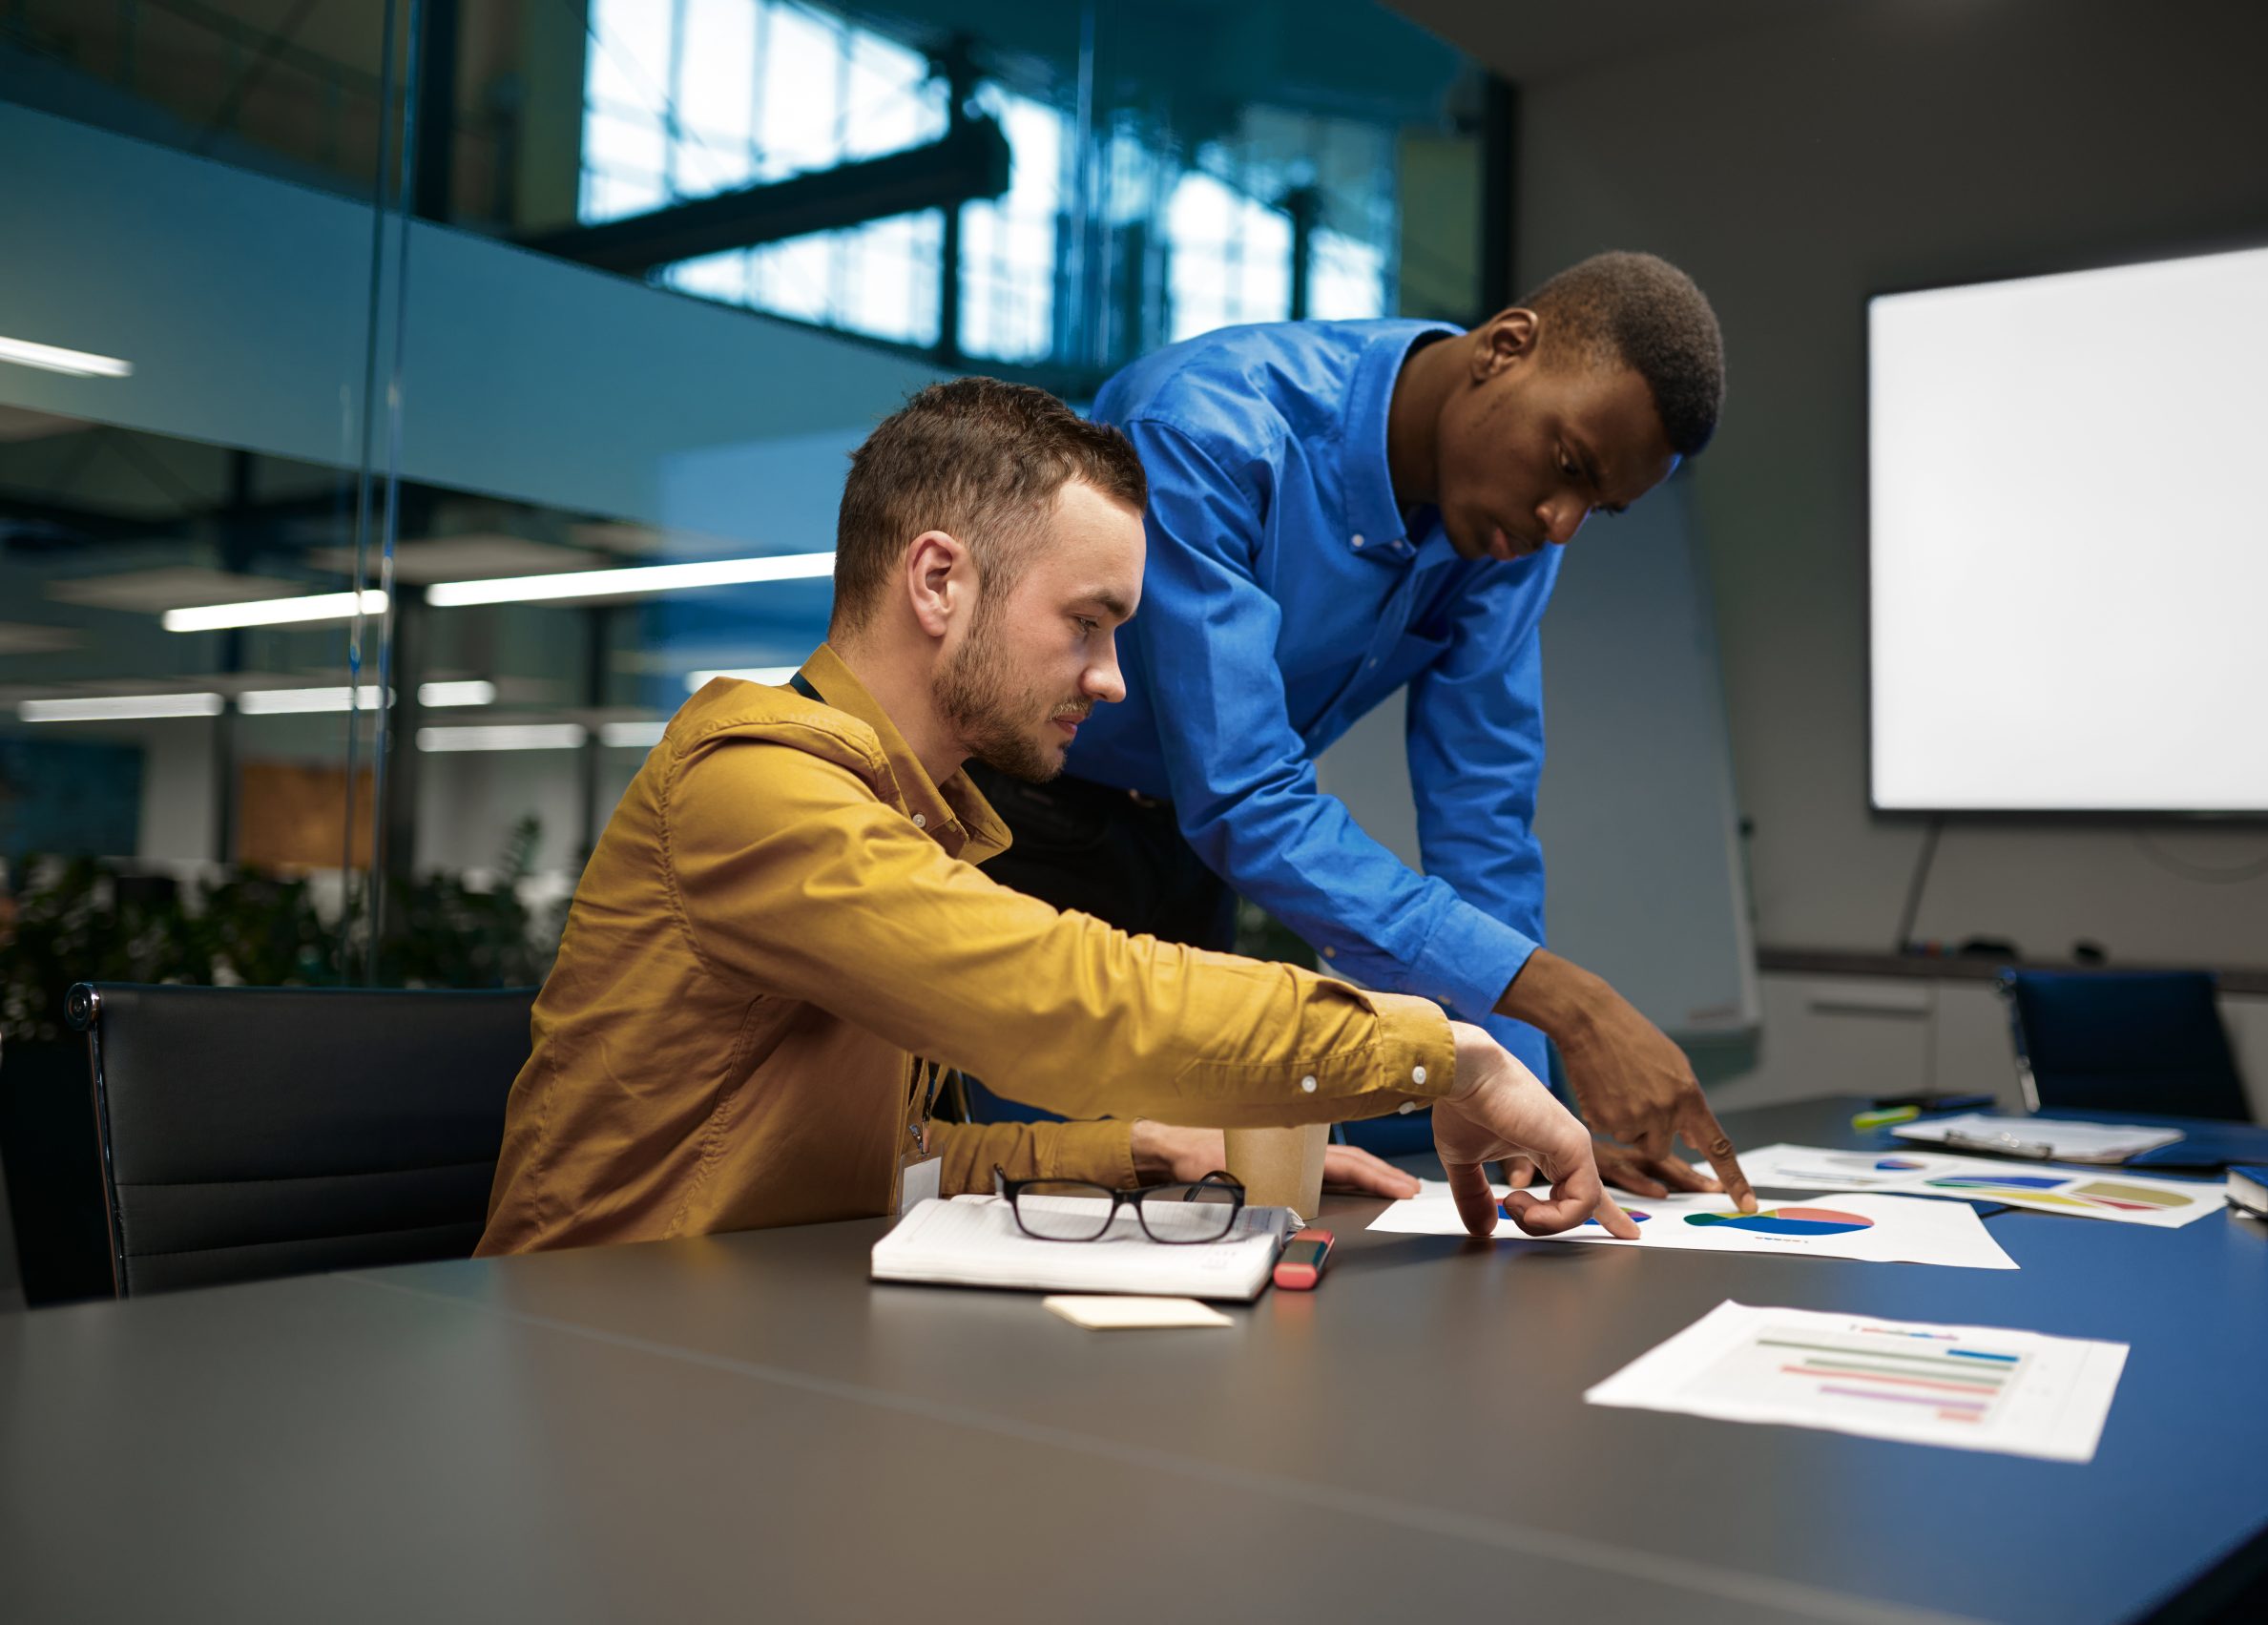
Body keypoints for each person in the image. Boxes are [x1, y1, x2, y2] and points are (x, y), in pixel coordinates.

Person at [477, 378, 1633, 1257]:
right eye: (1087, 622)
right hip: (600, 1343)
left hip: (752, 1322)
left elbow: (874, 1160)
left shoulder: (914, 814)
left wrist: (1130, 1149)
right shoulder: (757, 790)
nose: (1114, 679)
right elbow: (1063, 995)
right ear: (939, 582)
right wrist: (1445, 1052)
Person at [968, 251, 1758, 1209]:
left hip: (1185, 856)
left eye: (1599, 506)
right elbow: (1249, 797)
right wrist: (1571, 1003)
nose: (1560, 524)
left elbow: (1483, 822)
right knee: (1012, 1199)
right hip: (1015, 830)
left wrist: (1527, 1112)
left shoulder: (1504, 537)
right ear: (1507, 347)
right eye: (1568, 467)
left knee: (1188, 1209)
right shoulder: (1206, 429)